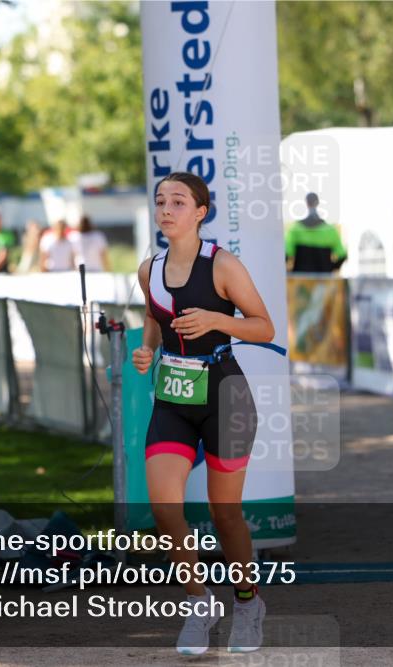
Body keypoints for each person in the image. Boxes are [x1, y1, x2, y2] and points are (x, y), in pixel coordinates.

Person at [132, 172, 275, 655]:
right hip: (173, 398)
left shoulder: (222, 265)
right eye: (160, 201)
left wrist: (216, 319)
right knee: (164, 508)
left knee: (224, 513)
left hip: (225, 396)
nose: (166, 209)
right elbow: (154, 316)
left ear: (200, 212)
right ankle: (199, 601)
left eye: (178, 202)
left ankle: (248, 602)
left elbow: (264, 327)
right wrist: (148, 349)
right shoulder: (148, 269)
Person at [284, 192, 347, 273]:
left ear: (306, 203)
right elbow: (342, 255)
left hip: (301, 277)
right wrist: (331, 268)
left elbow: (286, 254)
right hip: (324, 277)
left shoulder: (295, 229)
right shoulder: (330, 230)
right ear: (317, 203)